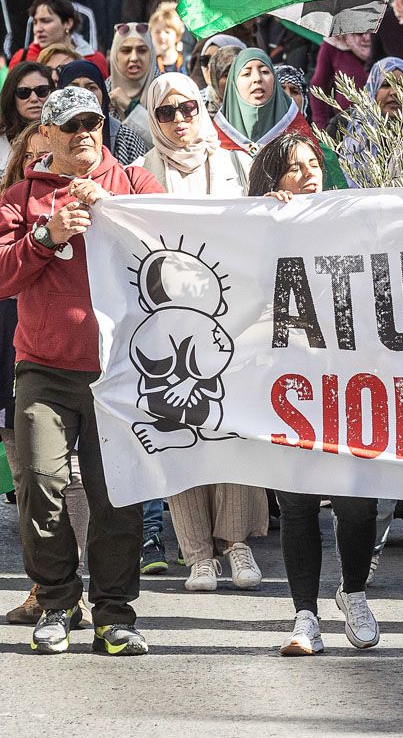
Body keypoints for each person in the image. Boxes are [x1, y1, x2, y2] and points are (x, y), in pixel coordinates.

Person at [0, 84, 165, 656]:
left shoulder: (134, 185)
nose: (85, 133)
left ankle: (114, 613)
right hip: (45, 370)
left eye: (94, 123)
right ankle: (57, 601)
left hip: (121, 374)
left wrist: (118, 215)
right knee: (38, 485)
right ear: (45, 135)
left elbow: (182, 246)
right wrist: (44, 235)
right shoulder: (20, 197)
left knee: (117, 500)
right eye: (71, 124)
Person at [247, 131, 383, 655]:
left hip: (350, 381)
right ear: (272, 182)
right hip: (291, 384)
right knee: (298, 501)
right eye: (292, 169)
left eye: (312, 165)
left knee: (355, 501)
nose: (308, 175)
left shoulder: (348, 223)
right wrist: (264, 222)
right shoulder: (261, 230)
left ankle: (353, 593)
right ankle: (305, 615)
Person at [136, 71, 267, 594]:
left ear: (203, 108)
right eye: (166, 112)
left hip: (235, 320)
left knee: (231, 428)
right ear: (153, 118)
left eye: (188, 108)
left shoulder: (239, 162)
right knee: (178, 431)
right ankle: (196, 554)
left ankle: (236, 544)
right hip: (166, 327)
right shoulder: (139, 174)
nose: (180, 121)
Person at [0, 62, 54, 190]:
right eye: (23, 92)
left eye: (41, 91)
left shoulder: (64, 142)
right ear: (11, 97)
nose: (33, 98)